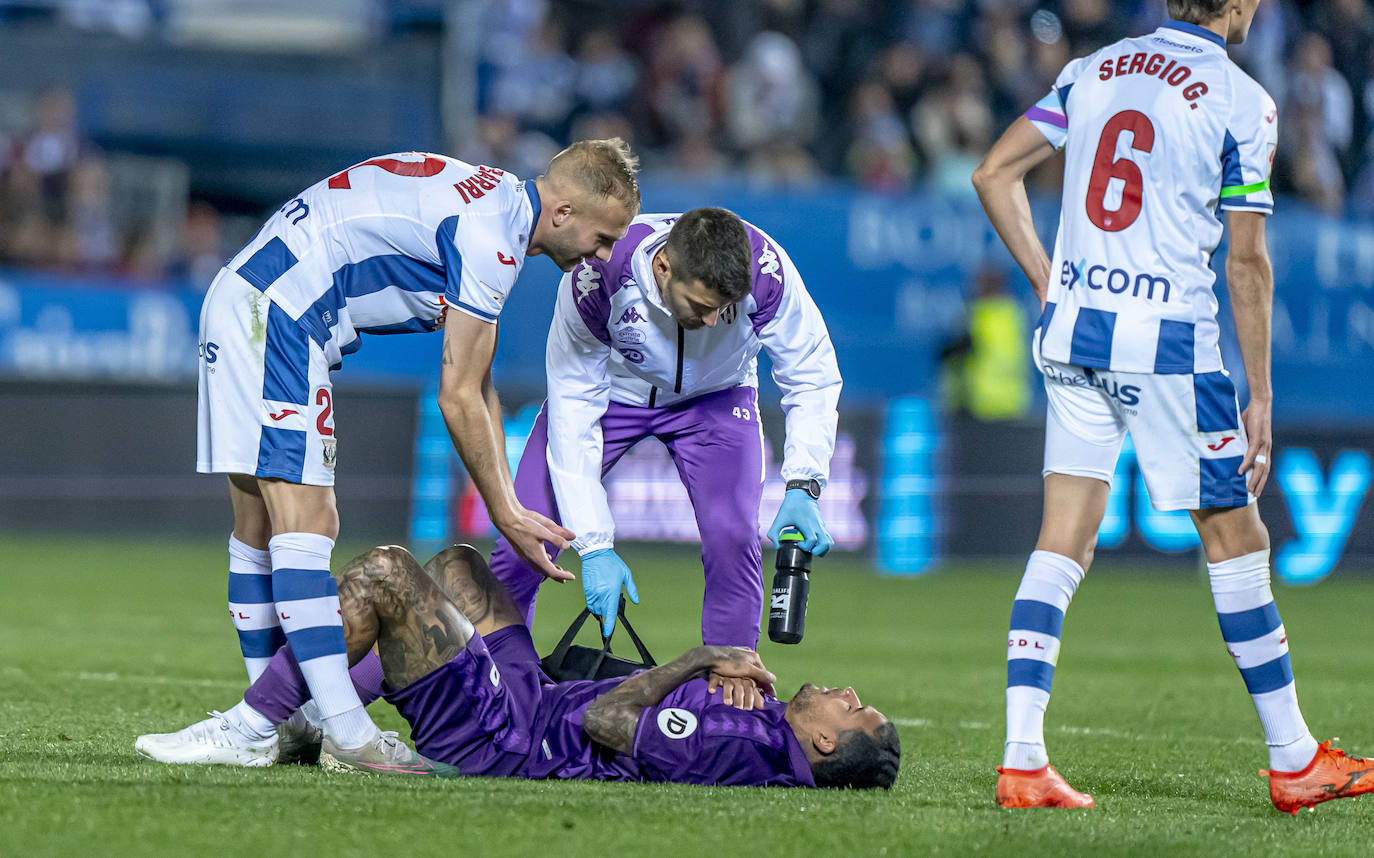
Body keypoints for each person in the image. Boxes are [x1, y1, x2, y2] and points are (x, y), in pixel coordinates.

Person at [972, 0, 1374, 813]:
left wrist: (1050, 281)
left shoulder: (1092, 71)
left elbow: (993, 173)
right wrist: (1260, 391)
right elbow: (1247, 261)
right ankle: (1294, 758)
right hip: (1164, 345)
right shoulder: (1241, 99)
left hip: (1072, 334)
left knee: (1063, 539)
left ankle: (1022, 759)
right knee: (1236, 534)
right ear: (1235, 7)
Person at [185, 140, 639, 770]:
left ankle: (280, 723)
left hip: (252, 300)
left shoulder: (499, 208)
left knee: (257, 525)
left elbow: (478, 381)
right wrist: (504, 513)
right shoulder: (494, 239)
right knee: (310, 524)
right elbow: (456, 396)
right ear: (563, 212)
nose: (605, 254)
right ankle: (335, 729)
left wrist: (508, 499)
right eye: (604, 236)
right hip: (282, 318)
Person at [135, 544, 900, 790]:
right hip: (535, 701)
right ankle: (321, 722)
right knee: (463, 567)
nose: (849, 693)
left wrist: (702, 656)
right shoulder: (763, 729)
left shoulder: (741, 746)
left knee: (381, 576)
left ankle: (253, 725)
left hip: (507, 737)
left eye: (856, 710)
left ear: (827, 745)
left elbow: (607, 723)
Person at [488, 207, 842, 644]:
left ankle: (731, 699)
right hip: (613, 392)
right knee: (522, 541)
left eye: (725, 309)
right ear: (662, 267)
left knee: (734, 542)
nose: (713, 321)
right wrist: (596, 546)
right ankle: (493, 682)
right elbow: (574, 409)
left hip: (719, 395)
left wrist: (804, 482)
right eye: (701, 305)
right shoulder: (596, 277)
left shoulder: (767, 269)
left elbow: (812, 373)